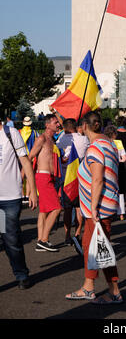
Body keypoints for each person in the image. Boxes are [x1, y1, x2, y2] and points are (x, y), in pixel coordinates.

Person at [65, 111, 122, 304]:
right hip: (104, 204)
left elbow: (97, 179)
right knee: (92, 247)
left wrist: (93, 206)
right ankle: (89, 287)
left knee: (100, 249)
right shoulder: (109, 143)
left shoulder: (95, 148)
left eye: (81, 126)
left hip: (98, 208)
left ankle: (114, 292)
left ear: (85, 126)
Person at [0, 116, 38, 289]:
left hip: (9, 198)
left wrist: (32, 190)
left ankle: (21, 274)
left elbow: (25, 162)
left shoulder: (11, 133)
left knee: (11, 239)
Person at [28, 114, 62, 252]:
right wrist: (27, 184)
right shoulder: (41, 138)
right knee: (57, 208)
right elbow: (29, 158)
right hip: (43, 177)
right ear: (47, 125)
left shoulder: (51, 140)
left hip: (49, 178)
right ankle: (44, 240)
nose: (58, 124)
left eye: (58, 122)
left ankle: (40, 241)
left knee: (43, 211)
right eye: (55, 122)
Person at [56, 118, 89, 249]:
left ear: (64, 128)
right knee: (79, 208)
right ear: (75, 127)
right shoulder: (84, 139)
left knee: (68, 210)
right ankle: (77, 233)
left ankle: (67, 235)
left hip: (67, 180)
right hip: (80, 178)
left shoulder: (61, 140)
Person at [103, 124, 126, 220]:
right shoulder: (118, 143)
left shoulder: (103, 143)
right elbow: (124, 158)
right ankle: (121, 213)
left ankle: (108, 210)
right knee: (120, 190)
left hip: (107, 168)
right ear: (115, 134)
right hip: (118, 168)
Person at [19, 116, 39, 206]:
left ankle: (21, 195)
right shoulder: (34, 132)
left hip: (20, 157)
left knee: (20, 177)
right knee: (29, 177)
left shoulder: (19, 132)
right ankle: (27, 195)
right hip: (31, 157)